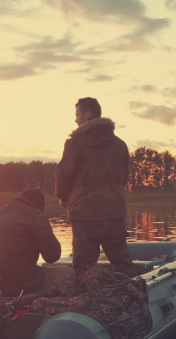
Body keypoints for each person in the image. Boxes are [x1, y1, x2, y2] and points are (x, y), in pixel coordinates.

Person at [56, 97, 137, 276]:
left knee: (83, 267)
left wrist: (63, 197)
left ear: (87, 114)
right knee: (122, 262)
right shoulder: (120, 144)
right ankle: (138, 295)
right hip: (114, 211)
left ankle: (84, 300)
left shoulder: (74, 144)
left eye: (77, 115)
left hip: (85, 215)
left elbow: (64, 174)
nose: (75, 119)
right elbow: (123, 177)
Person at [0, 188, 62, 297]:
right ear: (39, 206)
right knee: (68, 272)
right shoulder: (36, 216)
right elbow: (52, 257)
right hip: (20, 282)